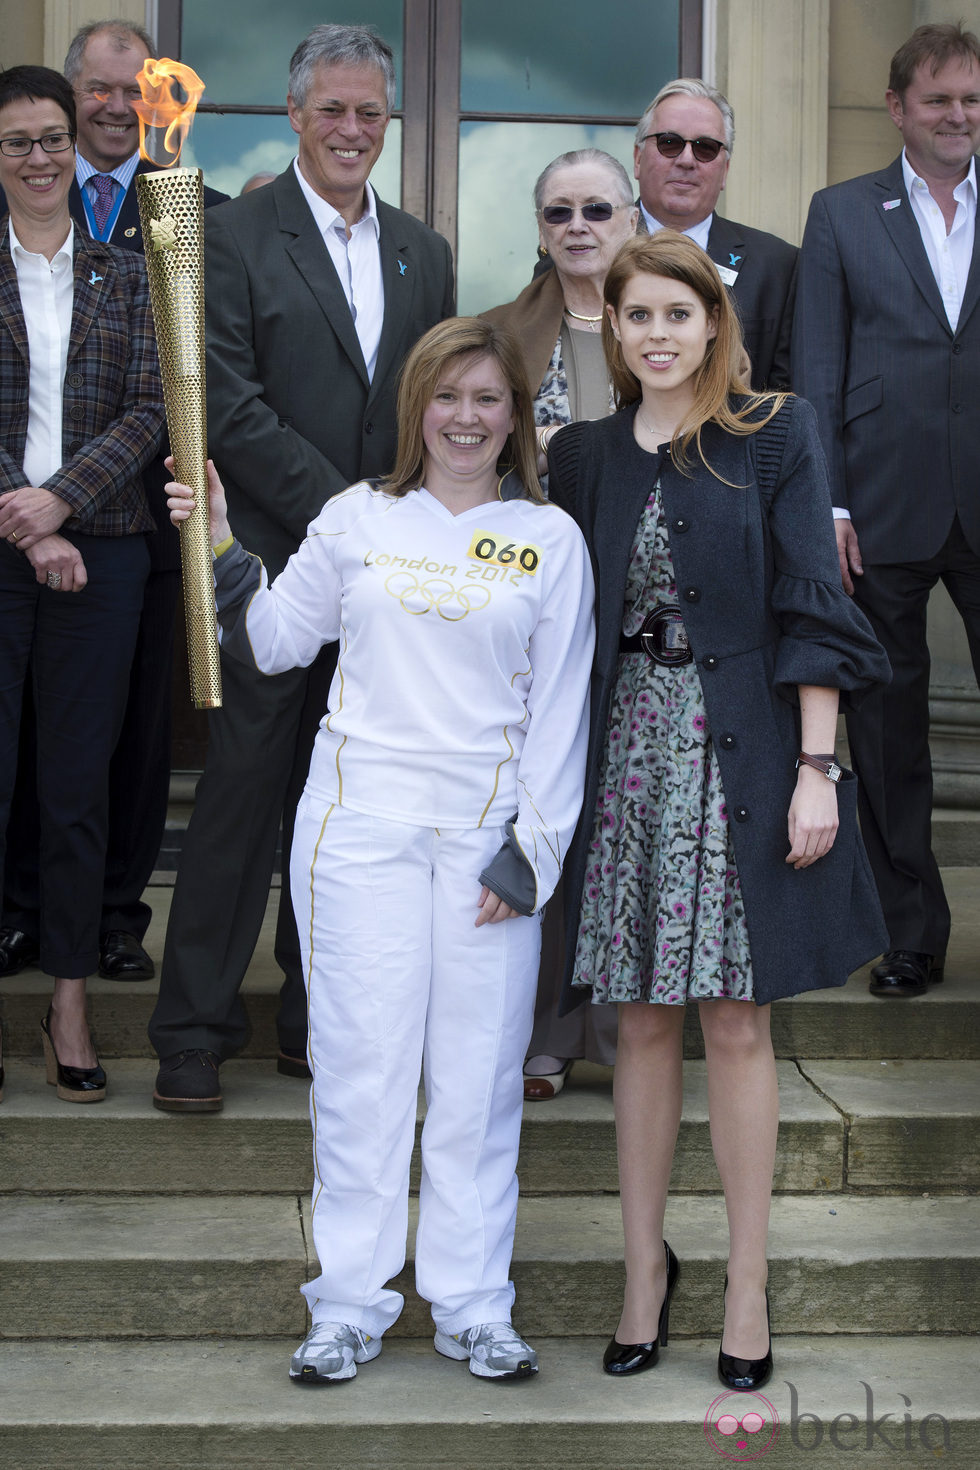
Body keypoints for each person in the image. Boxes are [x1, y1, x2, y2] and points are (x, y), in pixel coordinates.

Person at [165, 316, 594, 1382]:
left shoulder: (549, 538)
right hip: (357, 832)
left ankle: (470, 1304)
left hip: (486, 846)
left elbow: (562, 710)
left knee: (477, 1080)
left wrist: (531, 850)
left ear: (515, 417)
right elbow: (270, 642)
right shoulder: (357, 518)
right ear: (417, 408)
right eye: (446, 397)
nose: (464, 418)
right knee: (360, 1074)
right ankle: (349, 1302)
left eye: (487, 399)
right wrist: (215, 543)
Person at [547, 232, 889, 1389]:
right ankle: (644, 1271)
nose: (655, 335)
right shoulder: (584, 454)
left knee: (737, 1022)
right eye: (635, 316)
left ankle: (745, 1281)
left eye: (676, 317)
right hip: (628, 756)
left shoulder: (773, 433)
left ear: (712, 326)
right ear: (614, 327)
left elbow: (809, 606)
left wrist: (815, 766)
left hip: (742, 755)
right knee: (639, 1022)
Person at [149, 23, 455, 1111]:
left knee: (347, 807)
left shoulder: (425, 248)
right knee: (240, 795)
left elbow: (428, 406)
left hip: (379, 589)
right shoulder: (233, 236)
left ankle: (312, 1021)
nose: (351, 129)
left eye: (369, 111)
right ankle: (192, 1027)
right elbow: (223, 400)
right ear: (293, 114)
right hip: (268, 565)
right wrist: (347, 516)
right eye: (331, 109)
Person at [0, 19, 227, 986]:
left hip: (146, 521)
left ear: (151, 102)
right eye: (93, 88)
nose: (108, 106)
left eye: (128, 90)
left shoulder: (195, 214)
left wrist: (63, 496)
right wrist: (32, 505)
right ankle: (22, 915)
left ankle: (112, 920)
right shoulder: (29, 206)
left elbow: (177, 388)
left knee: (127, 741)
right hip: (24, 523)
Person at [793, 22, 980, 999]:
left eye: (971, 100)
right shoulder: (841, 212)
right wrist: (823, 503)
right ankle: (909, 934)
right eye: (940, 99)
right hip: (877, 501)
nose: (958, 116)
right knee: (888, 732)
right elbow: (815, 366)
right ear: (897, 106)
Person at [0, 65, 163, 1101]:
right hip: (2, 540)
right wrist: (21, 517)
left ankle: (68, 1001)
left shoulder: (129, 272)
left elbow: (151, 410)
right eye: (17, 141)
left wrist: (57, 503)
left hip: (102, 553)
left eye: (52, 137)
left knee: (74, 787)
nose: (39, 157)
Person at [483, 147, 636, 1099]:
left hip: (648, 606)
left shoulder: (679, 317)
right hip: (537, 605)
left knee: (624, 822)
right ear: (540, 229)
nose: (578, 227)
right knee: (543, 810)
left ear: (630, 219)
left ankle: (627, 1036)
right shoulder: (500, 331)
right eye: (558, 213)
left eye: (596, 210)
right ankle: (542, 1032)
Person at [633, 78, 797, 390]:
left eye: (705, 148)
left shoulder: (778, 266)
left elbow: (786, 392)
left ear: (725, 170)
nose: (686, 160)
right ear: (638, 158)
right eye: (669, 143)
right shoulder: (593, 248)